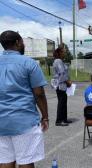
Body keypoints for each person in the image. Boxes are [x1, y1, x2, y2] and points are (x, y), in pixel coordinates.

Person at [0, 30, 48, 168]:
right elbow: (39, 94)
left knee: (5, 160)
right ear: (17, 42)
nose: (23, 44)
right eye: (22, 42)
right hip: (24, 121)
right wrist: (45, 116)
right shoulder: (29, 63)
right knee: (26, 161)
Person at [52, 45, 72, 126]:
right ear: (60, 53)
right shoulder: (58, 61)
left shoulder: (60, 61)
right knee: (61, 102)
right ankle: (59, 121)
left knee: (64, 102)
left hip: (63, 85)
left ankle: (64, 119)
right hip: (61, 85)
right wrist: (68, 82)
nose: (65, 53)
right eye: (64, 52)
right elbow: (62, 73)